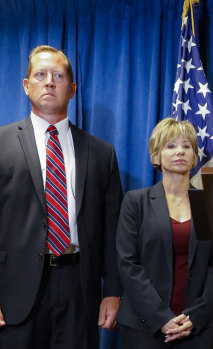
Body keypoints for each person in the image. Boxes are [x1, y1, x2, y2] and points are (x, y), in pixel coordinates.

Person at [0, 45, 123, 348]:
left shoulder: (101, 153)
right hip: (14, 291)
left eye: (58, 75)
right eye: (40, 75)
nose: (50, 82)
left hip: (79, 288)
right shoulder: (0, 144)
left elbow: (113, 231)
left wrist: (113, 291)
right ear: (27, 86)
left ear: (72, 89)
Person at [116, 118, 213, 348]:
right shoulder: (136, 202)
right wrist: (162, 318)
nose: (179, 151)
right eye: (170, 146)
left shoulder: (206, 202)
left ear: (194, 156)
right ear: (156, 156)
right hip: (145, 326)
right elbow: (128, 264)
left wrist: (195, 316)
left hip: (197, 327)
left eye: (186, 146)